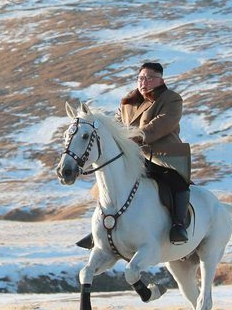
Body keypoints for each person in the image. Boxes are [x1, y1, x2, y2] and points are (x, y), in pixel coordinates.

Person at [76, 62, 191, 249]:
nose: (143, 82)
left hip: (162, 155)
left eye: (148, 78)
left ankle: (178, 225)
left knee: (176, 182)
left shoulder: (171, 99)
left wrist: (140, 135)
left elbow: (164, 123)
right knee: (108, 183)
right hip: (133, 155)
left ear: (160, 80)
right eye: (140, 78)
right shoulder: (127, 102)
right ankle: (102, 228)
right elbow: (116, 125)